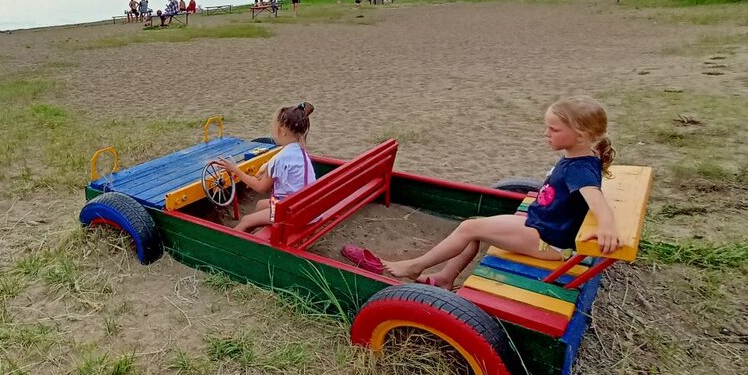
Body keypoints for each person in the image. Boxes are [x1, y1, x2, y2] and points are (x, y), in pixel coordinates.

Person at [342, 97, 620, 289]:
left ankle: (413, 267)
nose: (545, 133)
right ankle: (443, 278)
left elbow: (595, 197)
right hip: (543, 226)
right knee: (472, 228)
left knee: (470, 229)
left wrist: (606, 224)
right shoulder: (580, 156)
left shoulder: (580, 169)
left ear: (581, 135)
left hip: (550, 244)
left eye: (553, 129)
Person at [215, 103, 317, 232]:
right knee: (260, 204)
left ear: (283, 130)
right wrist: (267, 166)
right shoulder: (300, 151)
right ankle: (260, 233)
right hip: (307, 208)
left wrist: (235, 169)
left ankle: (229, 245)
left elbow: (260, 188)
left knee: (247, 220)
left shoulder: (280, 159)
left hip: (294, 215)